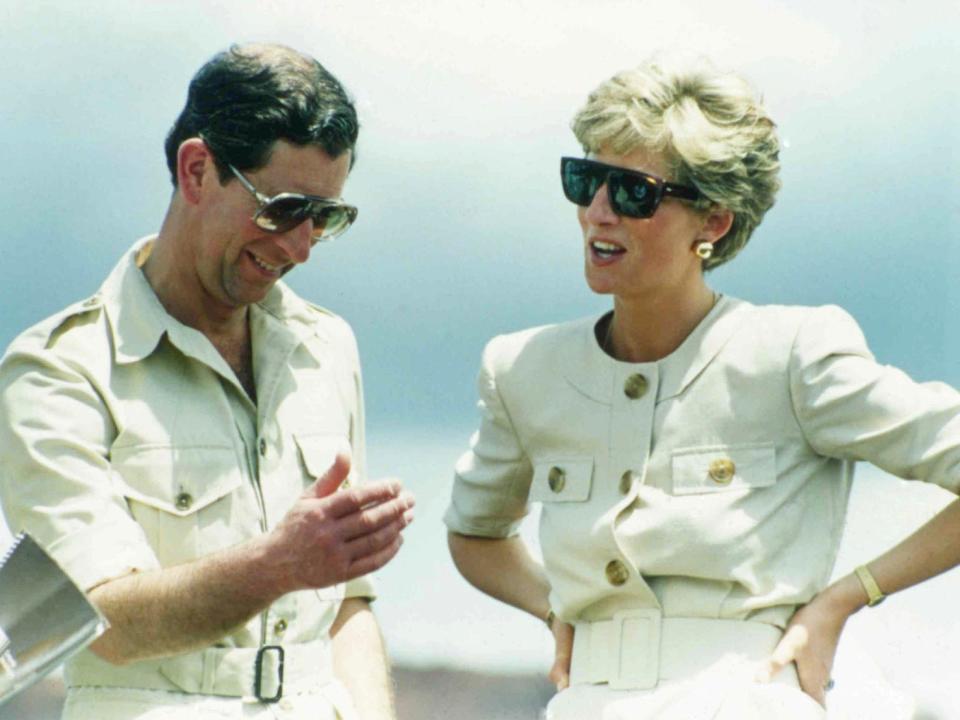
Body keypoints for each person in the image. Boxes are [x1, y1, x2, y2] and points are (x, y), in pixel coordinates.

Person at [444, 54, 960, 719]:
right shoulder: (522, 368)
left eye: (633, 192)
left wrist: (846, 597)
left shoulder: (793, 353)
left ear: (713, 222)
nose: (599, 212)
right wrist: (555, 609)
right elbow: (475, 533)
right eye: (586, 181)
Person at [0, 43, 415, 720]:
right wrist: (280, 564)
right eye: (283, 209)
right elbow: (105, 618)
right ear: (197, 170)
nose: (301, 247)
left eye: (326, 217)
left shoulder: (328, 346)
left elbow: (348, 604)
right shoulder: (56, 371)